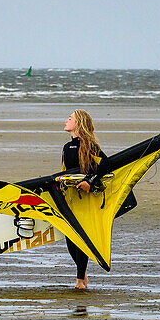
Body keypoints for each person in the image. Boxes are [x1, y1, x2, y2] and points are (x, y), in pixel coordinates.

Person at [62, 109, 110, 290]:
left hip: (86, 200)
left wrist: (89, 181)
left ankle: (80, 281)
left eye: (70, 118)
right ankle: (82, 275)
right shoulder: (67, 147)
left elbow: (106, 165)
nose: (66, 121)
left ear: (78, 123)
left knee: (80, 238)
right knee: (69, 238)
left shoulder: (89, 145)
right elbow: (64, 172)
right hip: (71, 199)